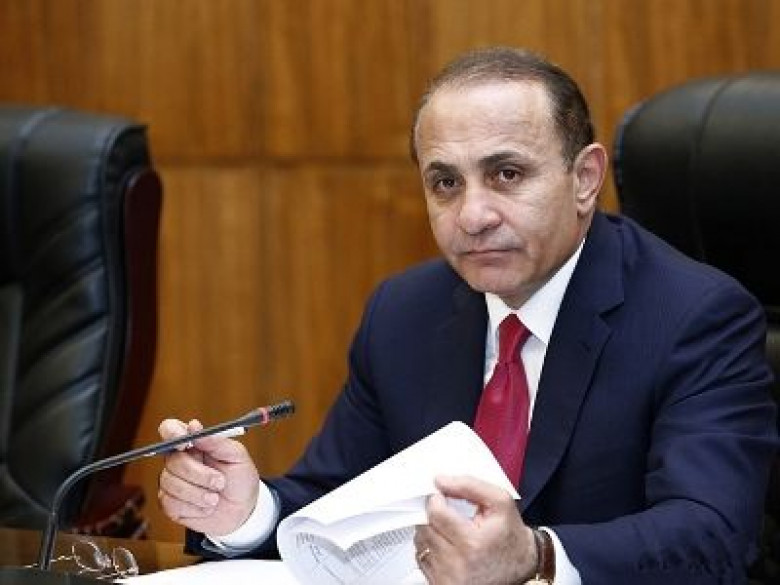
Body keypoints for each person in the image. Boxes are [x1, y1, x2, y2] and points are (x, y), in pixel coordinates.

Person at [157, 47, 778, 584]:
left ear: (585, 178)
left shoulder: (695, 317)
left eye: (507, 174)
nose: (473, 216)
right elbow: (332, 504)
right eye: (446, 183)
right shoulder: (404, 313)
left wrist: (536, 557)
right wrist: (245, 512)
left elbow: (711, 535)